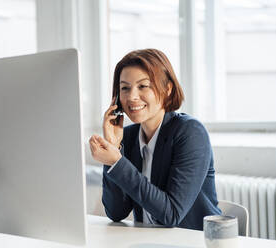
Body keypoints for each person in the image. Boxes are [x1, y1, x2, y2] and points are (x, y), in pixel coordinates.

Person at [89, 48, 221, 230]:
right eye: (125, 88)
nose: (132, 96)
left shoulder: (190, 132)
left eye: (143, 86)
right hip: (149, 241)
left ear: (167, 89)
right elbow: (116, 212)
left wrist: (117, 162)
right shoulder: (127, 136)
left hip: (193, 241)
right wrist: (114, 147)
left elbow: (171, 214)